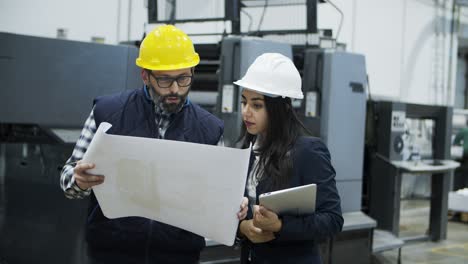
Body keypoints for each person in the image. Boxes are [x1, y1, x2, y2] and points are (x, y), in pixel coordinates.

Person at [60, 24, 248, 264]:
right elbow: (67, 179)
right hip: (113, 253)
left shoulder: (209, 129)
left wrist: (235, 206)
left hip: (177, 255)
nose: (175, 89)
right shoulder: (108, 112)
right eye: (165, 80)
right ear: (145, 76)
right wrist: (78, 179)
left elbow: (221, 195)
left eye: (184, 78)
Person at [234, 53, 343, 263]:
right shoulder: (245, 150)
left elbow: (332, 220)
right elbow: (236, 210)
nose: (246, 112)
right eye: (244, 102)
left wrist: (280, 226)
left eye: (257, 105)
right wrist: (242, 228)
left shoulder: (308, 152)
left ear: (280, 109)